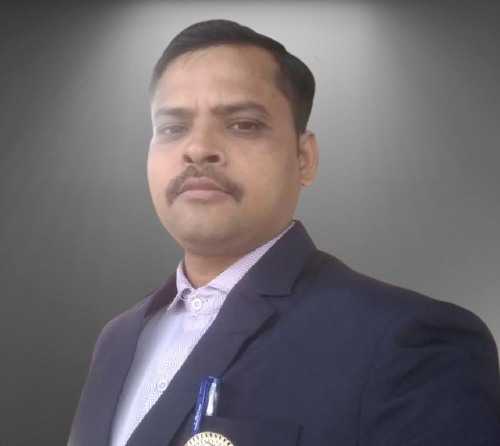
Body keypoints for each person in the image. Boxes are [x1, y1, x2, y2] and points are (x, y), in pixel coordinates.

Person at [68, 19, 500, 446]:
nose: (197, 148)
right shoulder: (118, 339)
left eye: (243, 124)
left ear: (304, 158)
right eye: (172, 128)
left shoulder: (409, 341)